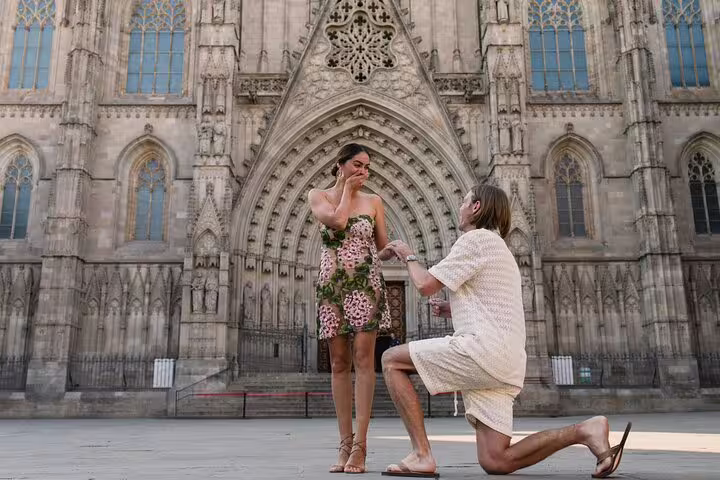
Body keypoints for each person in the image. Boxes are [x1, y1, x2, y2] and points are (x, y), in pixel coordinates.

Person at [381, 184, 631, 478]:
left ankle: (422, 455)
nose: (458, 208)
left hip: (484, 352)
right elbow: (497, 304)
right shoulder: (500, 249)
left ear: (476, 207)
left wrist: (407, 254)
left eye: (463, 201)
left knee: (390, 360)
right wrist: (453, 309)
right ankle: (585, 430)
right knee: (496, 460)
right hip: (505, 361)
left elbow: (424, 285)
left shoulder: (475, 240)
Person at [309, 143, 395, 473]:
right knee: (338, 362)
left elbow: (382, 246)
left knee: (362, 360)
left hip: (365, 283)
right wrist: (346, 189)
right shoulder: (317, 195)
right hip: (333, 283)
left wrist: (395, 252)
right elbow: (339, 221)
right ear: (340, 165)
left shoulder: (374, 202)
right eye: (357, 164)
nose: (364, 171)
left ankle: (360, 446)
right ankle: (344, 445)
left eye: (367, 166)